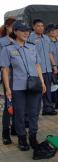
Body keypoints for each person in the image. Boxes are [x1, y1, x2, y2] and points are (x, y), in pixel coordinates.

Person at [0, 21, 46, 151]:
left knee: (34, 113)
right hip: (18, 87)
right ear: (15, 31)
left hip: (34, 85)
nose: (26, 33)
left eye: (28, 30)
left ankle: (32, 136)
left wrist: (42, 82)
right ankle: (22, 138)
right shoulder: (7, 49)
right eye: (22, 30)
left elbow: (37, 65)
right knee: (19, 114)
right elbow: (5, 70)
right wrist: (8, 89)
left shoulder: (32, 47)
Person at [28, 19, 58, 116]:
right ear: (33, 27)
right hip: (37, 70)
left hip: (48, 69)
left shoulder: (46, 38)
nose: (40, 28)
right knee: (37, 91)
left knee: (47, 89)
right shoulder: (30, 38)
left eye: (42, 26)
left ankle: (47, 108)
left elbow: (49, 53)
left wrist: (54, 65)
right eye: (38, 26)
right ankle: (34, 111)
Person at [0, 17, 16, 145]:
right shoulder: (2, 42)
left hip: (20, 77)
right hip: (8, 78)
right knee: (8, 105)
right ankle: (6, 132)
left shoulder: (19, 40)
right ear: (7, 27)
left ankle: (15, 128)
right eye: (13, 26)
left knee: (19, 104)